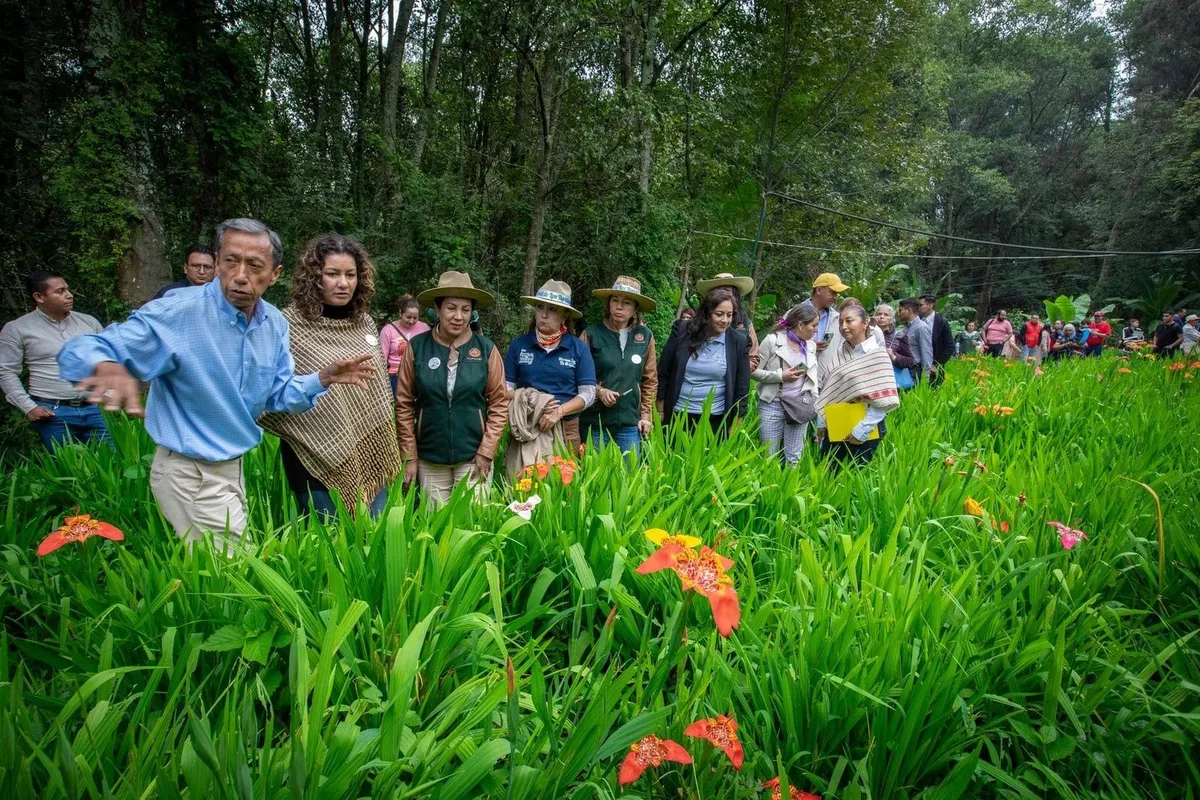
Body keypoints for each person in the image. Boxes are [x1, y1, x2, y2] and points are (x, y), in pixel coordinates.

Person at [57, 218, 377, 553]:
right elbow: (80, 350)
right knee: (240, 573)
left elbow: (278, 396)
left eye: (254, 265)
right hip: (190, 470)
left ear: (275, 274)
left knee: (216, 581)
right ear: (217, 262)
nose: (240, 275)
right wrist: (105, 363)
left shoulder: (273, 325)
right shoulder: (179, 312)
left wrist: (321, 378)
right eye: (230, 261)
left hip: (231, 468)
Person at [258, 234, 401, 519]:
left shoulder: (365, 323)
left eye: (350, 274)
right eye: (332, 274)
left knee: (373, 543)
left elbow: (379, 392)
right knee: (329, 547)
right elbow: (271, 393)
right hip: (312, 458)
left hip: (371, 453)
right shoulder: (288, 325)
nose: (343, 283)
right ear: (315, 277)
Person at [395, 271, 509, 504]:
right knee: (435, 528)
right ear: (437, 310)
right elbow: (404, 403)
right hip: (430, 458)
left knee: (472, 525)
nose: (458, 316)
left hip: (474, 457)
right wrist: (410, 456)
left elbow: (499, 402)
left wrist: (487, 451)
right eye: (451, 308)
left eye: (465, 310)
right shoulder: (417, 348)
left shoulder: (486, 349)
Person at [0, 271, 111, 450]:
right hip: (53, 412)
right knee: (67, 471)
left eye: (68, 289)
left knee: (112, 463)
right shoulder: (18, 329)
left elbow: (109, 360)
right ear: (39, 297)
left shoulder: (88, 322)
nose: (69, 295)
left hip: (94, 408)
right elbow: (5, 371)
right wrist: (28, 407)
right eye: (60, 291)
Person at [504, 279, 596, 474]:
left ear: (565, 316)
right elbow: (505, 389)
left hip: (566, 426)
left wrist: (559, 411)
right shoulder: (519, 346)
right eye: (540, 307)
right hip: (527, 426)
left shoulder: (577, 348)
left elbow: (588, 394)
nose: (544, 314)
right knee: (521, 483)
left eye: (553, 310)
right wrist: (535, 401)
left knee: (560, 489)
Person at [579, 276, 659, 459]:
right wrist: (599, 391)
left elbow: (650, 379)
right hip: (596, 420)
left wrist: (646, 415)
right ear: (608, 304)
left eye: (627, 302)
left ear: (635, 309)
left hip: (630, 422)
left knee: (630, 478)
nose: (619, 306)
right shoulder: (591, 334)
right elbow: (578, 376)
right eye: (615, 300)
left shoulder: (645, 336)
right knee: (595, 476)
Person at [658, 287, 751, 436]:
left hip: (715, 419)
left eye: (729, 315)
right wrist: (660, 410)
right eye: (719, 314)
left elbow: (742, 386)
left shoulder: (739, 341)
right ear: (707, 313)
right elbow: (664, 371)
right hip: (678, 414)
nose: (725, 320)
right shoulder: (682, 331)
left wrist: (736, 423)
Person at [816, 301, 900, 465]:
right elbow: (829, 390)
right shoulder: (839, 353)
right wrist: (822, 422)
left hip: (866, 428)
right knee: (828, 477)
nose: (844, 326)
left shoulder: (878, 355)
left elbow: (883, 401)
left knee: (855, 479)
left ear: (865, 323)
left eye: (849, 321)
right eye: (841, 322)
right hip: (835, 425)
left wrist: (861, 430)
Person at [754, 303, 819, 465]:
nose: (816, 329)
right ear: (801, 324)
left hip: (799, 406)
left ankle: (789, 489)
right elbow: (752, 372)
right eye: (814, 325)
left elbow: (813, 378)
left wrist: (815, 403)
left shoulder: (810, 345)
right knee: (768, 457)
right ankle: (768, 489)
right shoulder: (772, 341)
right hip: (772, 404)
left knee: (794, 457)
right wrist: (780, 376)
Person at [694, 273, 760, 370]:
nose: (722, 294)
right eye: (718, 291)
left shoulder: (745, 324)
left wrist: (734, 369)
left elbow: (754, 358)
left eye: (726, 291)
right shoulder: (699, 323)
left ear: (735, 295)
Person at [798, 272, 850, 371]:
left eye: (836, 294)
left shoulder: (837, 318)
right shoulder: (795, 314)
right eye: (832, 292)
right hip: (798, 379)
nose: (835, 297)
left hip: (826, 379)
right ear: (818, 290)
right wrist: (809, 345)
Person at [380, 294, 431, 394]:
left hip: (418, 373)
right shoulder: (388, 330)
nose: (411, 321)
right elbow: (382, 358)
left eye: (415, 318)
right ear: (400, 313)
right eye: (408, 317)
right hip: (396, 375)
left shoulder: (424, 328)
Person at [874, 304, 917, 389]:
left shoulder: (899, 336)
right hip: (873, 381)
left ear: (891, 319)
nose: (882, 317)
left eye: (886, 315)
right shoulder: (868, 335)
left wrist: (893, 357)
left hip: (892, 383)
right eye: (879, 314)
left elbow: (910, 361)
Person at [152, 245, 217, 300]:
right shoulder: (169, 294)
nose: (201, 271)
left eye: (207, 267)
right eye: (196, 266)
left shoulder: (222, 294)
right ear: (185, 268)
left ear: (215, 270)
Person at [918, 294, 954, 385]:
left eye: (921, 305)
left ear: (930, 305)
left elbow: (950, 345)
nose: (918, 308)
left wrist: (937, 364)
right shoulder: (917, 320)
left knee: (934, 391)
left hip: (935, 366)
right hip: (918, 365)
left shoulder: (942, 322)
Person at [897, 298, 932, 380]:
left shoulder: (921, 327)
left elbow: (926, 352)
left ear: (909, 310)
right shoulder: (906, 327)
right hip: (905, 369)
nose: (899, 313)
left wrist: (926, 376)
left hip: (914, 370)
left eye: (900, 310)